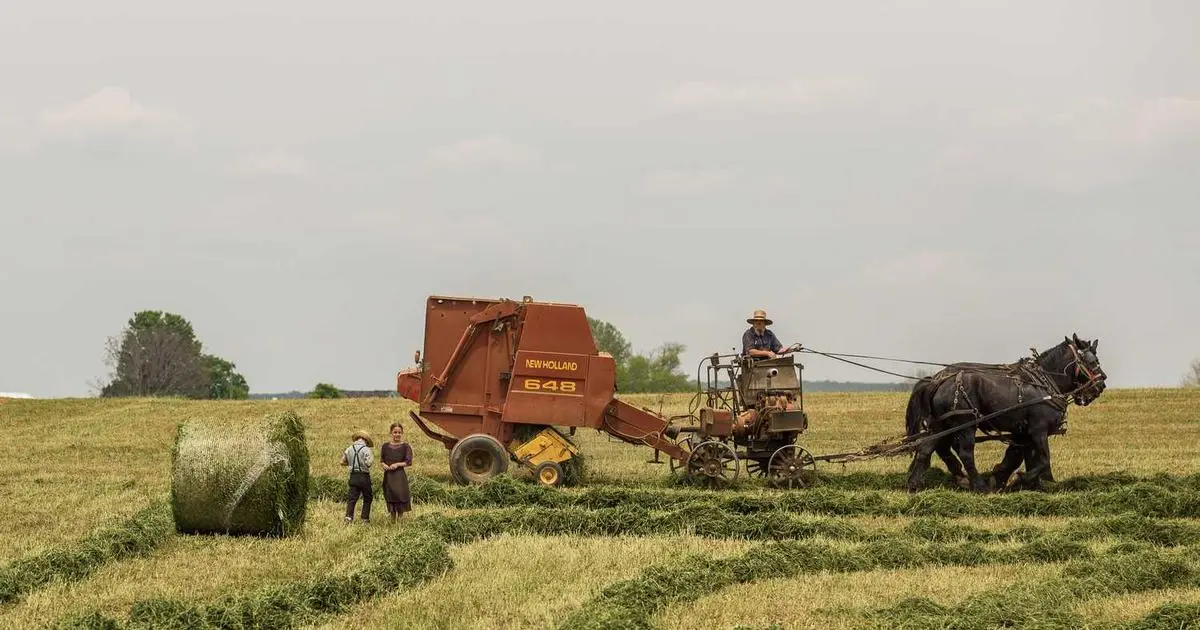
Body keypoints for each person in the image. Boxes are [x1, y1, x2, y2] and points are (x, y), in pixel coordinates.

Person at [380, 422, 413, 520]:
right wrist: (384, 465)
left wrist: (397, 464)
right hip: (388, 475)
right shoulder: (385, 446)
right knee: (390, 495)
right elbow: (382, 460)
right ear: (391, 433)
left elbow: (408, 462)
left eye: (399, 432)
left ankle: (400, 518)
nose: (397, 434)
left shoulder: (405, 446)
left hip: (399, 476)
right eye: (395, 432)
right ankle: (393, 518)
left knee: (400, 495)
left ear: (402, 433)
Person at [341, 429, 374, 524]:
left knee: (352, 498)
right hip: (364, 476)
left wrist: (351, 463)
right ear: (365, 440)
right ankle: (364, 519)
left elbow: (342, 462)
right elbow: (369, 463)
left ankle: (348, 517)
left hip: (353, 476)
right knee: (367, 497)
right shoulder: (367, 449)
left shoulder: (349, 449)